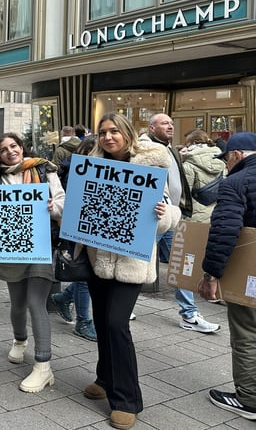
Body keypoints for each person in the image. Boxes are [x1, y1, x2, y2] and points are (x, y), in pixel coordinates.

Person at [84, 112, 180, 430]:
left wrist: (164, 214)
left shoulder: (153, 164)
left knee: (116, 323)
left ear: (127, 133)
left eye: (114, 131)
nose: (108, 137)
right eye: (103, 132)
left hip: (132, 261)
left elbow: (174, 211)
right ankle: (104, 377)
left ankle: (127, 400)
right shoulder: (92, 166)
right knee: (102, 322)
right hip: (98, 259)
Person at [0, 132, 65, 392]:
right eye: (4, 149)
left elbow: (62, 201)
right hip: (11, 248)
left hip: (42, 244)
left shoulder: (43, 169)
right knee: (17, 303)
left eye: (14, 146)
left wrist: (53, 207)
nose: (10, 151)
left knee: (35, 302)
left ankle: (43, 365)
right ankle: (20, 341)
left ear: (22, 147)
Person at [141, 113, 219, 333]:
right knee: (137, 262)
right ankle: (75, 296)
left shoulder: (172, 149)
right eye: (164, 123)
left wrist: (182, 207)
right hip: (154, 217)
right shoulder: (146, 148)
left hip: (172, 217)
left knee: (180, 264)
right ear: (152, 127)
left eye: (171, 123)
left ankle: (189, 314)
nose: (170, 126)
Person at [198, 132, 256, 421]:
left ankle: (249, 399)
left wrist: (211, 275)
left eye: (227, 160)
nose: (226, 165)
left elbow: (224, 231)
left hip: (250, 275)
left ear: (236, 155)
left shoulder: (235, 182)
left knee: (247, 332)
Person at [50, 135, 98, 342]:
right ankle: (83, 322)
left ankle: (64, 297)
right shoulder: (77, 171)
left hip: (86, 228)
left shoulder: (81, 167)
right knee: (84, 276)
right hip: (78, 229)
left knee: (86, 275)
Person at [182, 129, 226, 222]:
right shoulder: (221, 162)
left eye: (187, 144)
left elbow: (184, 195)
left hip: (195, 217)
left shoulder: (188, 165)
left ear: (193, 143)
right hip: (218, 214)